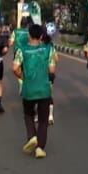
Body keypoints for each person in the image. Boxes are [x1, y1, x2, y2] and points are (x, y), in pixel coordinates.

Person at [13, 23, 57, 158]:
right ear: (42, 36)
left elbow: (15, 68)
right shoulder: (48, 49)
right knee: (43, 120)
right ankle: (40, 148)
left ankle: (32, 136)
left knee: (28, 114)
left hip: (28, 88)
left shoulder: (22, 50)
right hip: (44, 89)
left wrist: (22, 76)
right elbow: (51, 70)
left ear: (29, 36)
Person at [42, 27, 57, 126]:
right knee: (48, 95)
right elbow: (56, 58)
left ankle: (38, 116)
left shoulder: (36, 47)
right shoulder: (51, 47)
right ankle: (50, 116)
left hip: (38, 75)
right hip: (49, 74)